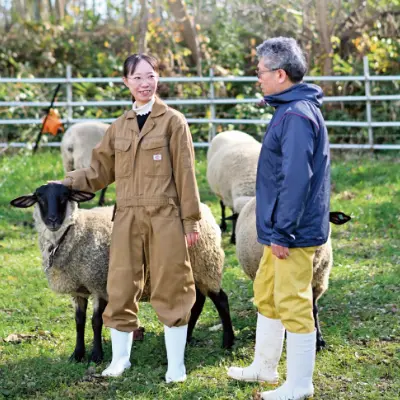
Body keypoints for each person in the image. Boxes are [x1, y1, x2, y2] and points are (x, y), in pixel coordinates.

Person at [50, 54, 201, 382]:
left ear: (158, 78)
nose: (145, 84)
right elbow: (98, 171)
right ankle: (120, 360)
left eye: (151, 76)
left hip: (165, 215)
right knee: (119, 284)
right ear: (126, 82)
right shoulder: (119, 127)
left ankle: (176, 364)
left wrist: (191, 220)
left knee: (173, 281)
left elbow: (186, 173)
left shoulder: (174, 122)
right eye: (137, 78)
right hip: (127, 216)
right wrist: (66, 183)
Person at [227, 37, 330, 400]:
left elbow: (296, 179)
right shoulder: (289, 109)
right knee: (268, 292)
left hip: (293, 230)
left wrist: (283, 232)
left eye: (261, 72)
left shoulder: (297, 117)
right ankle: (264, 366)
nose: (258, 78)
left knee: (293, 301)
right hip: (278, 226)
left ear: (281, 74)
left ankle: (300, 384)